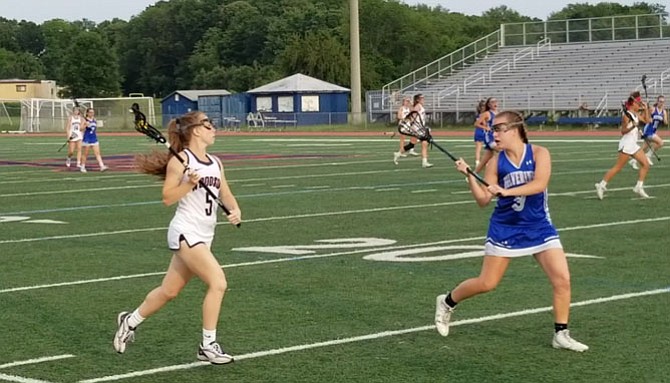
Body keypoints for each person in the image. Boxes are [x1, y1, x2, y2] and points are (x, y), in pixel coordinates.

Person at [434, 110, 589, 352]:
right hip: (505, 228)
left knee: (562, 280)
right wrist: (470, 177)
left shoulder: (539, 153)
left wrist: (507, 191)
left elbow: (540, 184)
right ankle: (447, 301)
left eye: (497, 129)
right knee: (487, 283)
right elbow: (483, 201)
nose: (492, 133)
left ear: (514, 129)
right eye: (492, 129)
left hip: (539, 225)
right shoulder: (496, 162)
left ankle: (561, 334)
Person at [113, 111, 242, 364]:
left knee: (169, 291)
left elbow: (225, 192)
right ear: (195, 130)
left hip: (205, 234)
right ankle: (208, 345)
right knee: (218, 283)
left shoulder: (215, 161)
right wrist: (189, 184)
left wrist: (235, 209)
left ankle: (130, 321)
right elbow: (168, 197)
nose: (213, 128)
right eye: (208, 124)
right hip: (186, 232)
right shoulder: (181, 161)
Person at [595, 91, 651, 200]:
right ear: (632, 104)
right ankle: (601, 185)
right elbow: (623, 131)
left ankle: (639, 187)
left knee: (645, 164)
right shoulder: (626, 115)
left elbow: (647, 120)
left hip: (633, 144)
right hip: (626, 144)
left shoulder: (636, 114)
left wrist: (646, 109)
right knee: (618, 167)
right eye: (638, 104)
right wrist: (632, 126)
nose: (639, 105)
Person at [633, 95, 666, 168]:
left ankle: (634, 160)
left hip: (653, 131)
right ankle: (648, 156)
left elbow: (666, 123)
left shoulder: (664, 111)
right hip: (648, 130)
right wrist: (649, 116)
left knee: (644, 148)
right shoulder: (653, 109)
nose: (661, 103)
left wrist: (664, 117)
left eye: (663, 102)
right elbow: (645, 117)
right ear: (657, 102)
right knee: (660, 143)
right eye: (660, 101)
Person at [473, 97, 498, 174]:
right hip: (489, 137)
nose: (495, 103)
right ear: (489, 104)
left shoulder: (498, 113)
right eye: (492, 102)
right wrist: (486, 128)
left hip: (496, 136)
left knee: (484, 160)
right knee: (503, 150)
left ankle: (473, 175)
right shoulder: (487, 113)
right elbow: (476, 124)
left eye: (495, 101)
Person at [80, 108, 108, 173]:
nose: (92, 113)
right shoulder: (84, 120)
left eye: (93, 112)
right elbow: (80, 128)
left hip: (94, 138)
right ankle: (82, 166)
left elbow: (94, 128)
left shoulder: (94, 119)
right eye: (90, 112)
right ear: (87, 113)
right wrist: (85, 125)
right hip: (87, 139)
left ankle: (102, 166)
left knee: (97, 153)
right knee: (85, 154)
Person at [393, 97, 419, 164]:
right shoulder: (402, 108)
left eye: (408, 101)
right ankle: (401, 151)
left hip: (408, 124)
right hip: (403, 124)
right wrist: (404, 119)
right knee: (403, 138)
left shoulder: (408, 108)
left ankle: (411, 149)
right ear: (403, 102)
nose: (407, 103)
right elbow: (398, 116)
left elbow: (412, 112)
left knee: (413, 136)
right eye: (406, 101)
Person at [412, 94, 433, 168]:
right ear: (418, 99)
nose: (423, 99)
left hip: (421, 127)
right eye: (422, 98)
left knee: (425, 144)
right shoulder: (417, 106)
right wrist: (413, 126)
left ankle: (424, 162)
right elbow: (412, 116)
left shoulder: (420, 106)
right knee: (425, 143)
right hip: (418, 128)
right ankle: (424, 162)